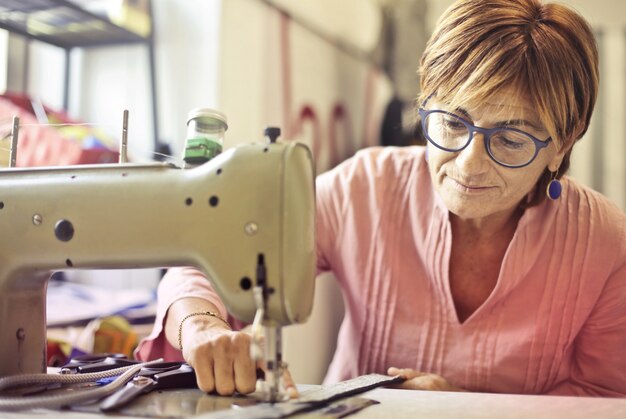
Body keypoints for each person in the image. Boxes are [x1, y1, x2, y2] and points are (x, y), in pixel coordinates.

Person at [135, 0, 626, 397]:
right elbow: (207, 261)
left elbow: (604, 395)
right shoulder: (364, 189)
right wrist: (202, 327)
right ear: (424, 105)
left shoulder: (606, 244)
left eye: (512, 140)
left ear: (563, 141)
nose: (469, 164)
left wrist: (466, 409)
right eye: (452, 123)